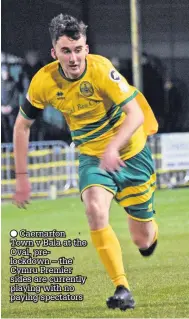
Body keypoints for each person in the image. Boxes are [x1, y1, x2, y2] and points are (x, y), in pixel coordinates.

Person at [13, 14, 159, 310]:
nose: (74, 58)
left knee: (142, 241)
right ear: (54, 53)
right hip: (92, 157)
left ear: (86, 49)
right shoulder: (43, 81)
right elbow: (21, 126)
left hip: (131, 154)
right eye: (66, 51)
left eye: (78, 49)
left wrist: (114, 148)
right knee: (94, 208)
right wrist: (22, 176)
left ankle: (149, 234)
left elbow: (136, 115)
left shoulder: (102, 70)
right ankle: (122, 287)